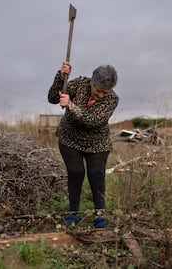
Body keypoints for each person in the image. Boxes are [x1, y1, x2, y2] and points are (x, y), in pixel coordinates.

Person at [48, 61, 119, 228]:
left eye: (105, 92)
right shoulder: (79, 84)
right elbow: (52, 98)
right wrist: (61, 77)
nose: (101, 95)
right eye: (98, 90)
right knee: (76, 172)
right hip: (70, 138)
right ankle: (73, 212)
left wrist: (71, 106)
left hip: (97, 143)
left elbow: (92, 121)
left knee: (96, 175)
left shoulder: (113, 100)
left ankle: (100, 214)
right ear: (92, 82)